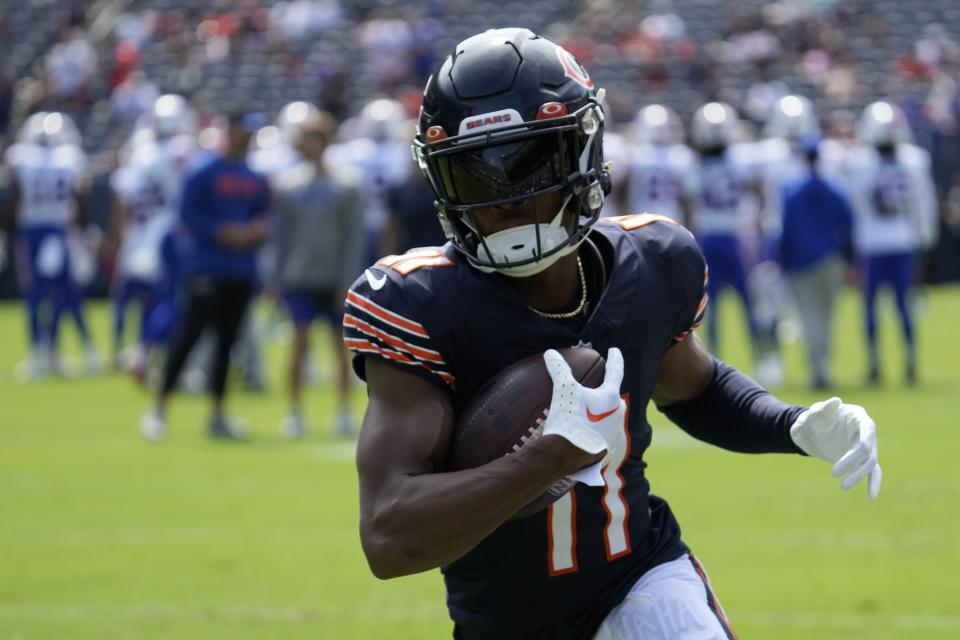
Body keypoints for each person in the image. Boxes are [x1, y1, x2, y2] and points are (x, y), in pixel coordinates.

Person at [346, 28, 882, 639]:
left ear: (582, 149)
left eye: (531, 164)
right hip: (507, 624)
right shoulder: (420, 303)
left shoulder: (652, 261)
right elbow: (388, 537)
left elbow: (695, 388)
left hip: (643, 582)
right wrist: (541, 461)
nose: (509, 201)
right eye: (477, 178)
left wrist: (789, 424)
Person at [139, 111, 270, 441]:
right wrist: (223, 232)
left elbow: (265, 215)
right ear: (230, 130)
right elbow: (187, 214)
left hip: (240, 270)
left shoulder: (254, 175)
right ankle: (158, 409)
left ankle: (218, 414)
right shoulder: (204, 170)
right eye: (243, 130)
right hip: (207, 267)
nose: (247, 137)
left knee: (228, 344)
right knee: (188, 337)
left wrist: (254, 231)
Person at [272, 110, 365, 438]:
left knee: (340, 347)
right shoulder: (287, 185)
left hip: (334, 279)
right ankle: (295, 412)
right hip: (300, 277)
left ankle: (343, 411)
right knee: (298, 343)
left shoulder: (347, 184)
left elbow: (354, 237)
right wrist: (276, 279)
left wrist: (349, 280)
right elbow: (280, 238)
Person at [846, 101, 938, 385]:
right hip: (902, 241)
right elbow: (924, 206)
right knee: (903, 306)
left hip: (873, 245)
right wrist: (924, 242)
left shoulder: (860, 163)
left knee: (871, 307)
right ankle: (910, 360)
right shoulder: (915, 160)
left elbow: (856, 208)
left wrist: (853, 246)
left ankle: (875, 364)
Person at [3, 111, 99, 379]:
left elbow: (15, 200)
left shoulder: (22, 159)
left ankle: (40, 354)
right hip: (58, 231)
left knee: (36, 295)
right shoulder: (69, 159)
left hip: (33, 232)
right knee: (64, 291)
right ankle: (67, 352)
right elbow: (78, 201)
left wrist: (4, 233)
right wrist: (86, 231)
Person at [108, 94, 197, 372]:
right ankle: (146, 354)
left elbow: (124, 203)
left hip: (141, 237)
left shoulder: (141, 153)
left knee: (146, 301)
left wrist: (120, 240)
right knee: (177, 302)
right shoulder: (182, 151)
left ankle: (150, 358)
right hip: (172, 235)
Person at [682, 101, 761, 363]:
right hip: (734, 234)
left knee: (710, 303)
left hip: (708, 236)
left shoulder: (694, 166)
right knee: (747, 300)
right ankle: (761, 354)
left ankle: (713, 357)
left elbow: (690, 205)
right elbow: (756, 190)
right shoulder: (741, 161)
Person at [779, 135, 854, 389]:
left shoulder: (792, 189)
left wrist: (780, 258)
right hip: (830, 259)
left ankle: (817, 370)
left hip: (801, 260)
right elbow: (847, 223)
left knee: (809, 316)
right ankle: (823, 368)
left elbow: (786, 228)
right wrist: (848, 257)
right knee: (826, 317)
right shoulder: (834, 188)